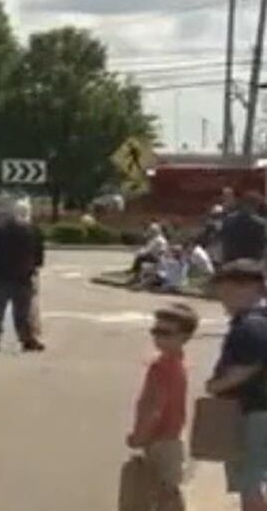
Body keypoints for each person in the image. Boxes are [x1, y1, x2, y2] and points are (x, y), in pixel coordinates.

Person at [206, 260, 267, 511]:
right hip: (257, 412)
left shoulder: (250, 324)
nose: (223, 299)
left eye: (226, 291)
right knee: (251, 483)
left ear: (248, 288)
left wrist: (216, 386)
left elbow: (249, 366)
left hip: (253, 412)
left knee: (248, 484)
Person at [126, 303, 199, 511]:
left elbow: (156, 406)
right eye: (156, 331)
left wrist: (140, 434)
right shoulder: (176, 362)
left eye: (166, 333)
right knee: (166, 490)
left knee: (165, 491)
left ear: (184, 337)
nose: (158, 337)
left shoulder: (162, 367)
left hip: (161, 438)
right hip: (170, 436)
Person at [0, 200, 45, 352]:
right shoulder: (33, 230)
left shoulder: (0, 230)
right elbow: (39, 255)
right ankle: (24, 339)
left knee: (2, 309)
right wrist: (35, 268)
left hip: (5, 276)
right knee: (21, 311)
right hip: (19, 277)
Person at [221, 192, 267, 264]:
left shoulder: (227, 221)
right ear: (256, 205)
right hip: (253, 264)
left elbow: (224, 244)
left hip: (230, 263)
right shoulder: (260, 224)